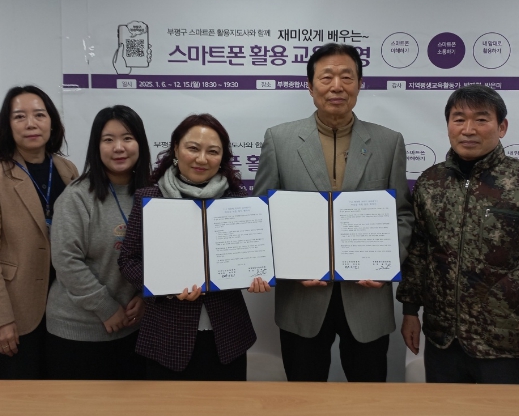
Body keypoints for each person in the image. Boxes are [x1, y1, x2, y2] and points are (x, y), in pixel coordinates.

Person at [396, 84, 519, 384]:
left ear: (501, 126)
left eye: (481, 119)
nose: (468, 129)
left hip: (506, 346)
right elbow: (419, 254)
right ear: (448, 125)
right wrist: (409, 310)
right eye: (459, 119)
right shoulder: (431, 183)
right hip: (443, 342)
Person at [253, 43, 414, 382]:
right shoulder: (279, 140)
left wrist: (386, 263)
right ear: (310, 87)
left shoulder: (389, 142)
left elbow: (402, 215)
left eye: (347, 77)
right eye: (326, 77)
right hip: (302, 297)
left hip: (367, 295)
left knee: (369, 397)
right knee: (304, 398)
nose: (337, 86)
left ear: (360, 84)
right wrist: (287, 266)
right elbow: (261, 216)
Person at [118, 113, 270, 381]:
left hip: (228, 336)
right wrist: (166, 286)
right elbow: (128, 260)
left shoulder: (238, 202)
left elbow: (250, 259)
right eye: (193, 148)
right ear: (176, 149)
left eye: (213, 151)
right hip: (166, 337)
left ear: (222, 158)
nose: (202, 159)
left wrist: (257, 274)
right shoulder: (149, 198)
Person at [0, 85, 79, 379]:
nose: (31, 123)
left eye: (39, 115)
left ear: (52, 122)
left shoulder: (67, 170)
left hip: (61, 309)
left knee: (57, 396)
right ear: (7, 126)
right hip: (13, 310)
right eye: (20, 116)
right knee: (13, 398)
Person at [45, 106, 151, 380]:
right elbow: (66, 261)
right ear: (96, 146)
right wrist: (107, 308)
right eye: (108, 139)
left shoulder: (153, 195)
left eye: (127, 138)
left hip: (132, 329)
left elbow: (160, 258)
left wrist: (145, 297)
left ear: (140, 143)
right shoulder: (77, 197)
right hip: (78, 332)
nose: (119, 147)